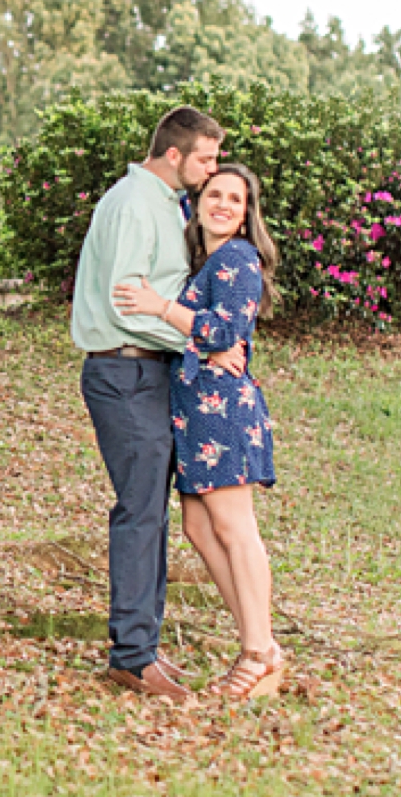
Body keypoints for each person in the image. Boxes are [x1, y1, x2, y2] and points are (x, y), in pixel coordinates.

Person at [70, 106, 243, 700]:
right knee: (140, 513)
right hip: (125, 373)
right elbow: (126, 302)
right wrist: (205, 343)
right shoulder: (133, 204)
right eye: (207, 158)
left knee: (154, 514)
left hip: (150, 371)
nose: (213, 168)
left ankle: (144, 648)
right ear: (175, 154)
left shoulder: (163, 205)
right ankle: (131, 657)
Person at [113, 162, 285, 700]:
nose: (224, 205)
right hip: (195, 414)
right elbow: (211, 333)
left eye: (236, 199)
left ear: (246, 214)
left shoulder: (238, 257)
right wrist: (201, 336)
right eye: (215, 194)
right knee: (199, 527)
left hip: (223, 413)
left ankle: (258, 653)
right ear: (198, 202)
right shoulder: (204, 261)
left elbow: (227, 328)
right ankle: (264, 644)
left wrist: (162, 309)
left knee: (235, 528)